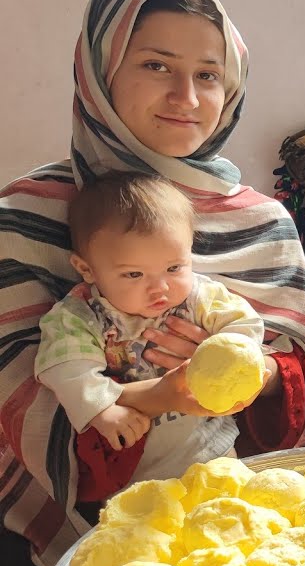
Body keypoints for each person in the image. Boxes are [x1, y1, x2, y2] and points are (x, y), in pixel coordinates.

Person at [0, 0, 305, 566]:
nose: (188, 96)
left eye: (208, 73)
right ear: (99, 74)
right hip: (68, 528)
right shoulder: (27, 217)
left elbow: (299, 366)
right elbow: (18, 400)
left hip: (230, 503)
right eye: (156, 65)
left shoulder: (263, 219)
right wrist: (157, 394)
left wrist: (250, 372)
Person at [36, 172, 264, 485]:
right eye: (134, 275)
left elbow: (244, 322)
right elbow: (64, 368)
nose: (160, 289)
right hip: (135, 465)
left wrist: (233, 351)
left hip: (212, 444)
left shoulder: (200, 296)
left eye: (174, 268)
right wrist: (100, 409)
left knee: (231, 506)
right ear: (86, 269)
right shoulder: (81, 315)